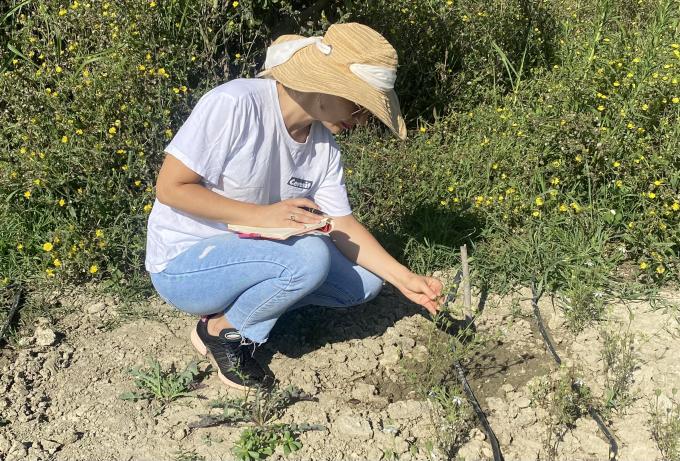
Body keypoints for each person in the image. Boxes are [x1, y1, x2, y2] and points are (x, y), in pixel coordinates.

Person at [146, 23, 443, 390]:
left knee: (364, 284)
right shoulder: (236, 104)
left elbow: (341, 224)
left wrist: (404, 279)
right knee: (310, 258)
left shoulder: (323, 145)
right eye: (359, 103)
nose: (361, 118)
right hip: (184, 264)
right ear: (326, 86)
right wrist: (262, 216)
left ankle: (244, 308)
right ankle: (221, 330)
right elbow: (171, 188)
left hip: (251, 253)